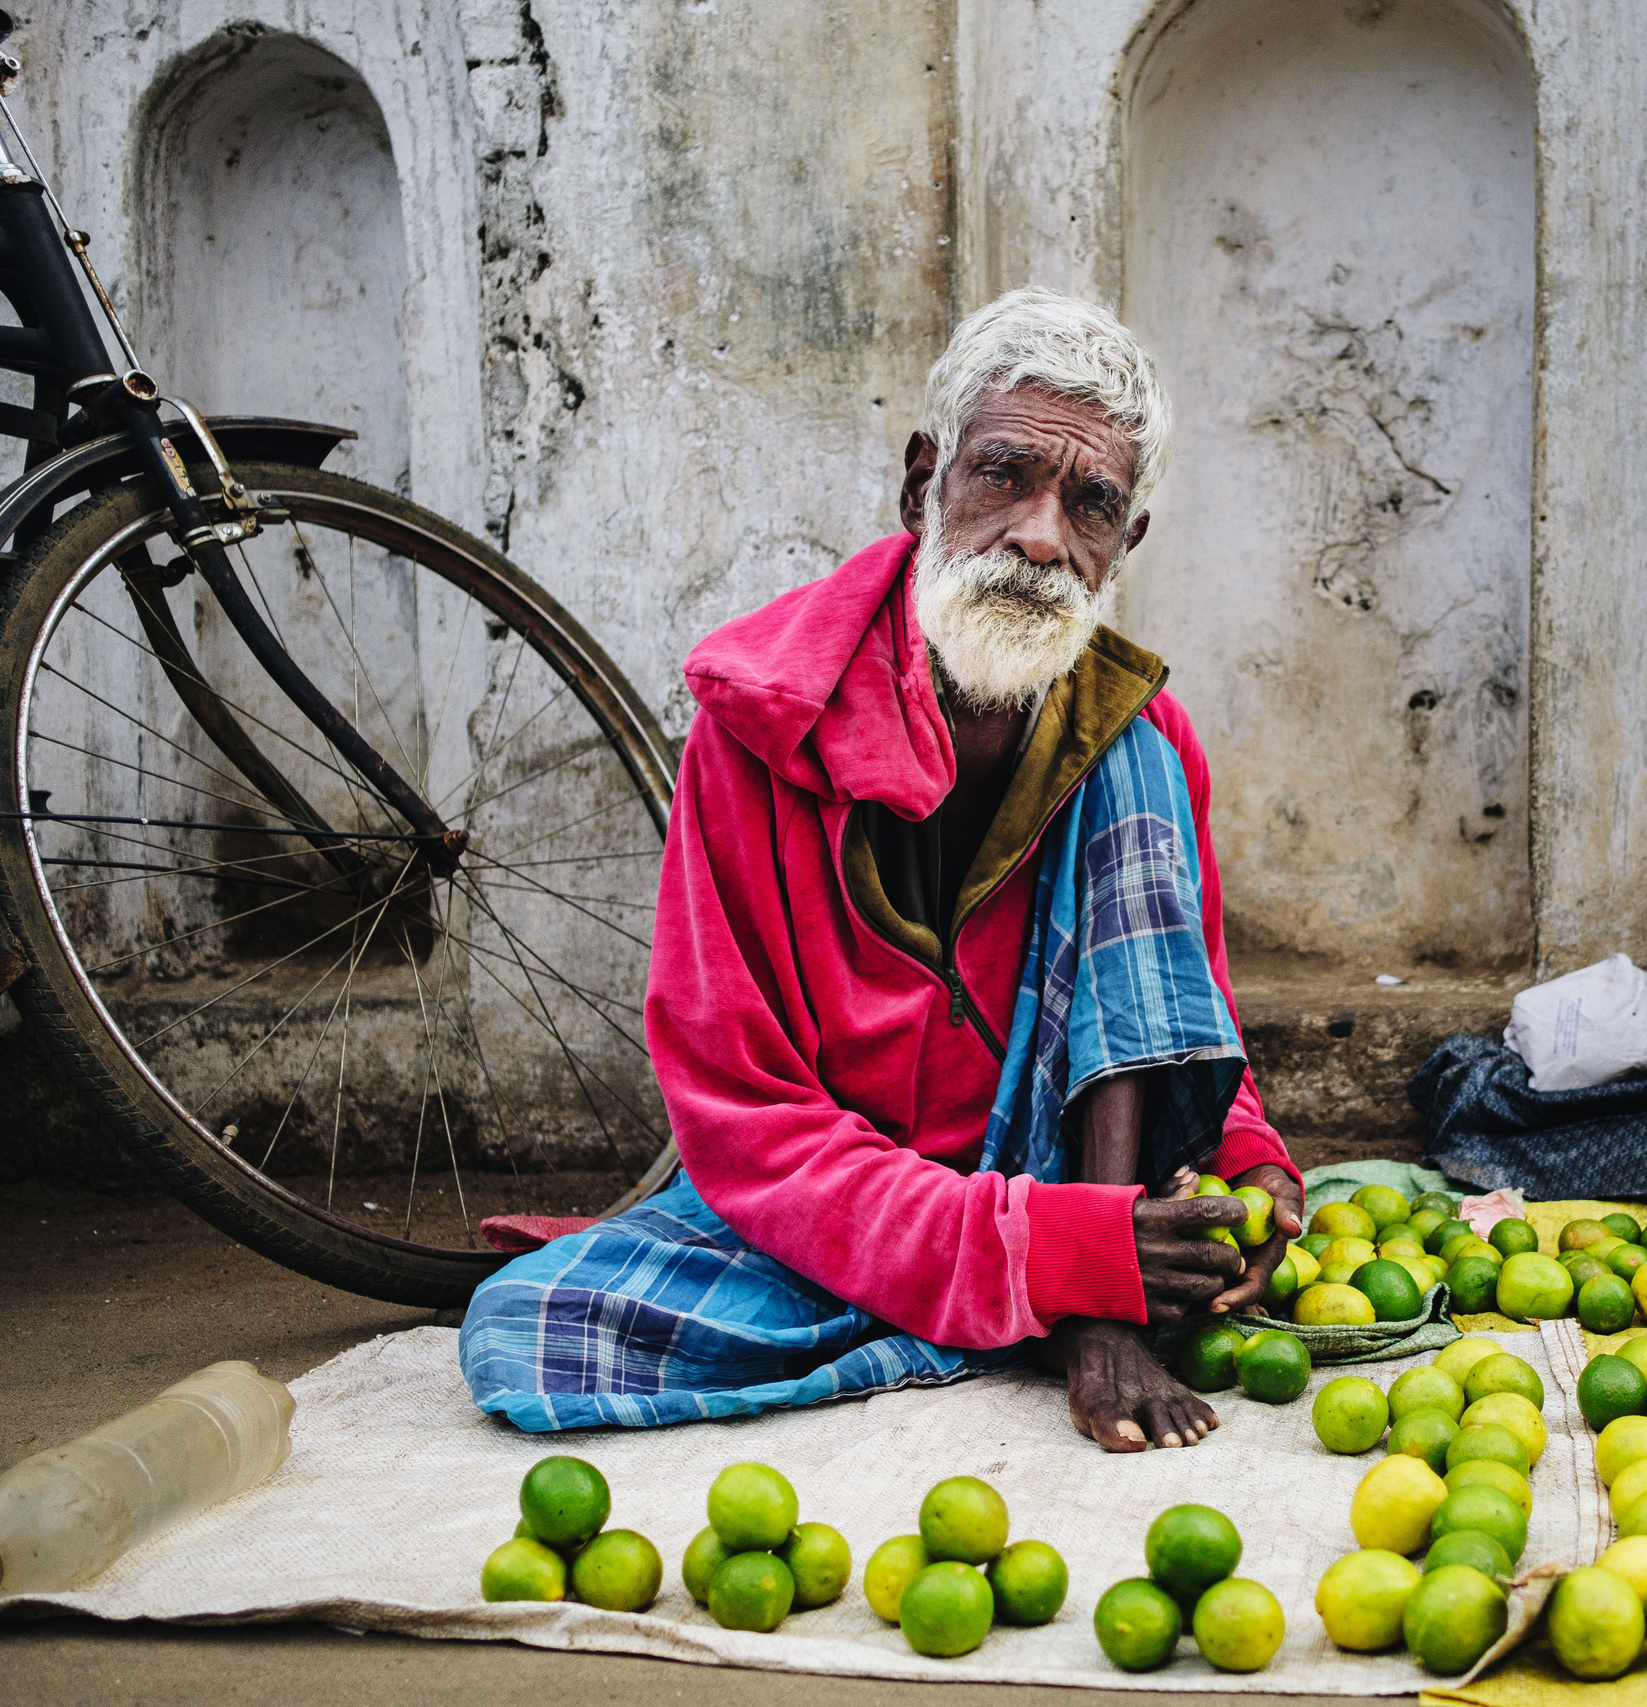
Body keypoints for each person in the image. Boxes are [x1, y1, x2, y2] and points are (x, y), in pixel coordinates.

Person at [459, 289, 1301, 1450]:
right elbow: (745, 1119)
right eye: (1003, 475)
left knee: (1132, 754)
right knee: (535, 1329)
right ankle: (1068, 1295)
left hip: (1061, 1166)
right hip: (864, 1203)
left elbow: (1182, 1012)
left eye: (1090, 504)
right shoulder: (759, 728)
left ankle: (1095, 1299)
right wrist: (1046, 1255)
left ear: (1123, 545)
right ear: (924, 483)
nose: (1042, 536)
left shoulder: (1144, 746)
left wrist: (1252, 1163)